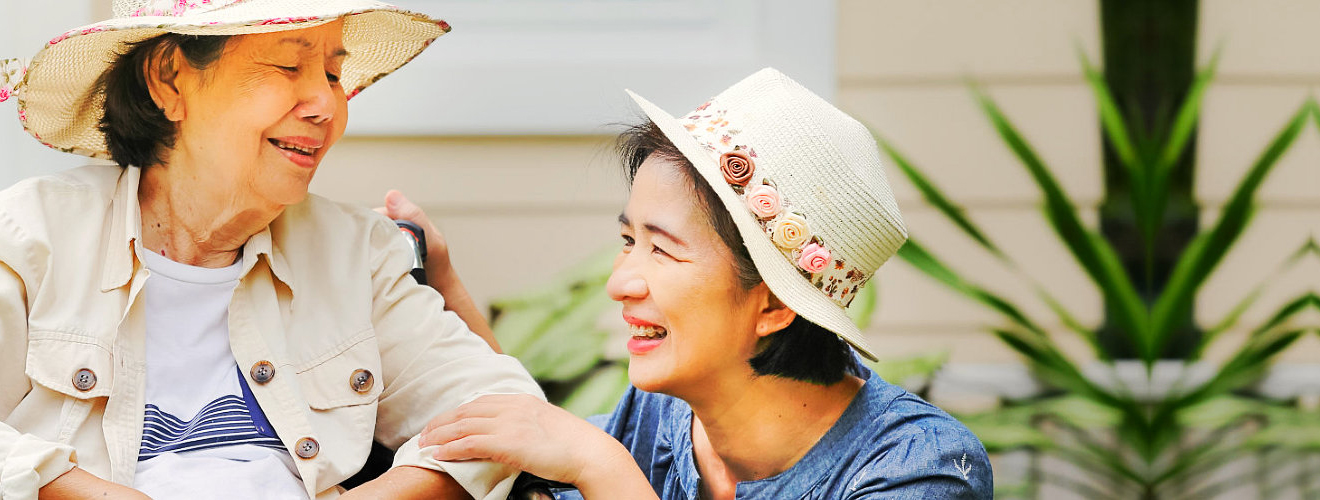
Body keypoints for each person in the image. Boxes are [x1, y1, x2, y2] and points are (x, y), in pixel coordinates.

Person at [0, 1, 542, 499]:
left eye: (332, 74)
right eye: (287, 66)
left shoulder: (356, 255)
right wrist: (79, 490)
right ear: (170, 80)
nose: (326, 106)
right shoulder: (29, 235)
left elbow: (501, 404)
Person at [382, 68, 994, 499]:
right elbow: (532, 442)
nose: (620, 282)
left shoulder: (919, 470)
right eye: (628, 242)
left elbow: (584, 460)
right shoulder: (663, 411)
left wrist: (605, 470)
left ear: (775, 305)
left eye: (662, 250)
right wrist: (444, 285)